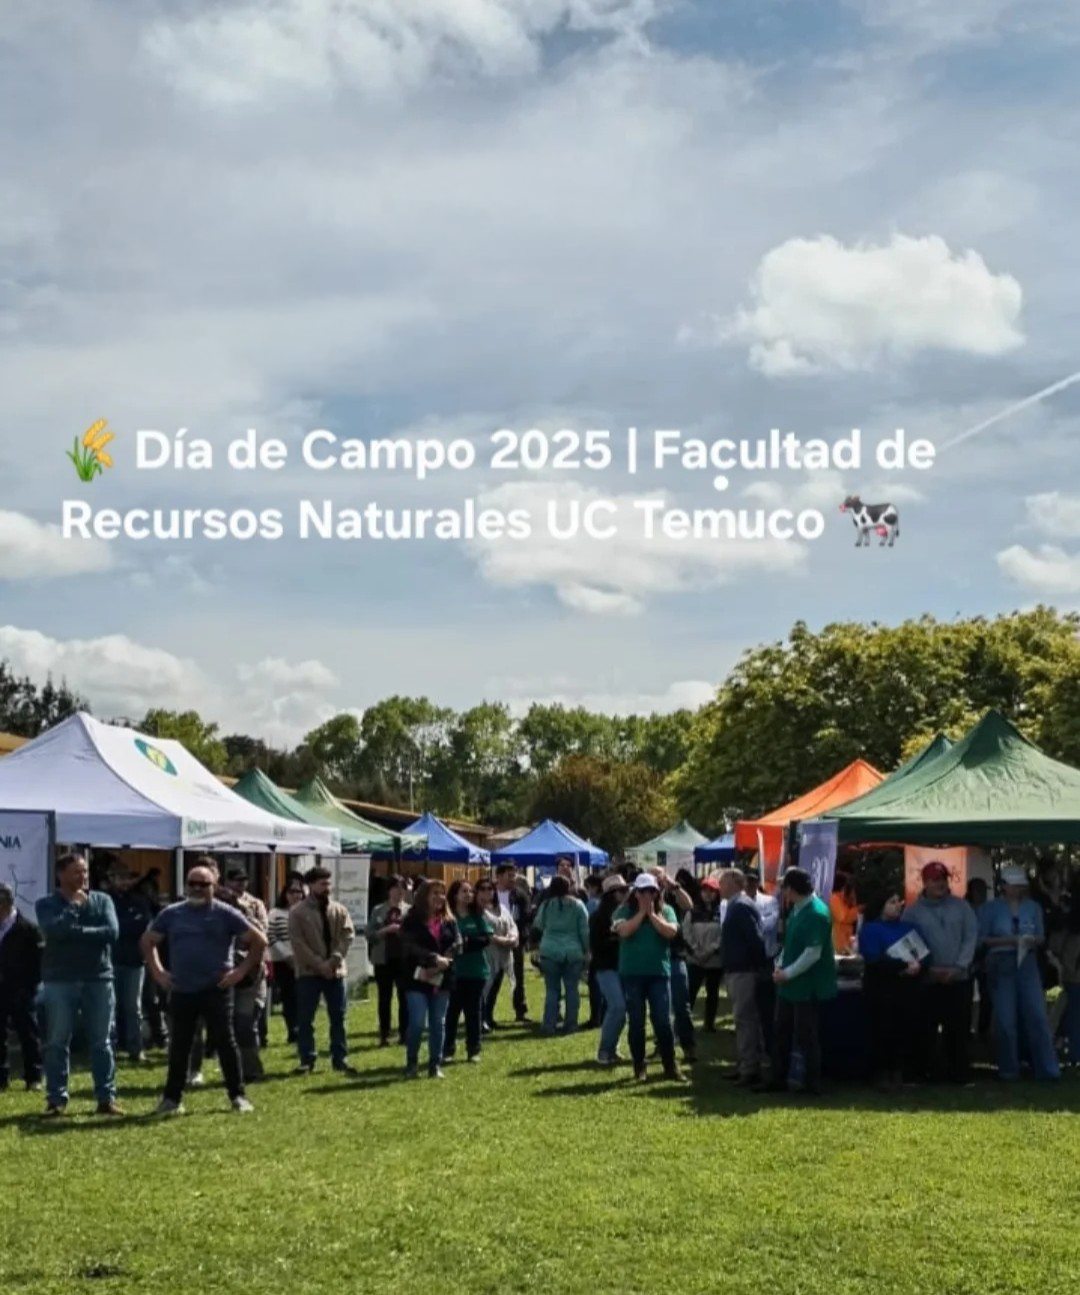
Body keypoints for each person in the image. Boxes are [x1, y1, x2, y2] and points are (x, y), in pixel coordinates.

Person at [142, 861, 264, 1115]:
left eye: (203, 884)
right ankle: (171, 1099)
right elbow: (148, 941)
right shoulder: (172, 913)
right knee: (180, 1045)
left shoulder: (225, 913)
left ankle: (237, 1096)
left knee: (225, 1042)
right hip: (182, 989)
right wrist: (158, 972)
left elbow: (258, 941)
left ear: (214, 886)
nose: (197, 888)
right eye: (192, 884)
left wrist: (240, 972)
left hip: (216, 989)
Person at [35, 853, 122, 1118]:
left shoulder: (102, 900)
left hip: (98, 978)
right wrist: (73, 908)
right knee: (57, 1041)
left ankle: (106, 1098)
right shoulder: (46, 904)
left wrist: (77, 932)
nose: (83, 877)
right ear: (60, 875)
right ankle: (56, 1099)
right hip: (60, 979)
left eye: (85, 871)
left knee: (102, 1041)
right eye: (76, 872)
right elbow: (54, 931)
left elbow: (111, 932)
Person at [978, 866, 1060, 1082]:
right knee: (1006, 1019)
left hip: (1027, 961)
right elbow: (982, 939)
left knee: (1037, 1015)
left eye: (1020, 886)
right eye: (1013, 885)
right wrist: (1010, 941)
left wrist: (1030, 941)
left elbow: (1041, 936)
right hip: (1000, 961)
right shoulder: (990, 909)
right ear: (1004, 886)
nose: (1017, 890)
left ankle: (1047, 1069)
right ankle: (1008, 1070)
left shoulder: (1033, 907)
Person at [762, 867, 836, 1096]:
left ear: (792, 890)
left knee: (806, 1036)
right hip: (789, 984)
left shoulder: (817, 913)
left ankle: (812, 1084)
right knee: (781, 1032)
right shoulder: (797, 908)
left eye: (784, 888)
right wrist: (779, 965)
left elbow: (812, 953)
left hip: (808, 985)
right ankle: (778, 1079)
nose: (782, 893)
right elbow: (790, 943)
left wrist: (787, 973)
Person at [904, 860, 978, 1085]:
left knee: (958, 1029)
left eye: (943, 879)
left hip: (959, 978)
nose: (940, 884)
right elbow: (909, 943)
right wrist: (927, 969)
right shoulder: (912, 912)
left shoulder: (962, 907)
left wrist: (960, 966)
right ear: (925, 882)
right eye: (935, 880)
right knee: (924, 1028)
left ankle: (959, 1074)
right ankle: (923, 1073)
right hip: (928, 979)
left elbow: (971, 937)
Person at [613, 873, 687, 1083]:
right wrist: (641, 914)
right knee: (636, 1022)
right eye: (643, 891)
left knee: (663, 1021)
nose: (648, 895)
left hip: (659, 974)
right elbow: (624, 931)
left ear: (657, 893)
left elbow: (670, 932)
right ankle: (639, 1066)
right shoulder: (623, 911)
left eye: (652, 891)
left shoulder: (667, 911)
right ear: (635, 893)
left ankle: (670, 1065)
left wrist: (652, 915)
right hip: (632, 974)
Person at [288, 867, 357, 1076]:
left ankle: (340, 1058)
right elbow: (298, 943)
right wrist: (319, 964)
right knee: (305, 1019)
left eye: (328, 883)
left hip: (335, 972)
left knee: (338, 1017)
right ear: (310, 886)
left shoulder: (339, 910)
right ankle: (307, 1059)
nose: (327, 887)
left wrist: (334, 960)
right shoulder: (297, 912)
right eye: (322, 884)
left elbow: (348, 935)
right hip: (309, 973)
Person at [857, 891, 926, 1089]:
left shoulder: (909, 928)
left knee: (904, 1031)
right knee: (882, 1031)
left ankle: (901, 1073)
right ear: (881, 906)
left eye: (899, 902)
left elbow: (924, 952)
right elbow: (874, 958)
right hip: (881, 989)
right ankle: (881, 1074)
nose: (898, 906)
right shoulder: (871, 929)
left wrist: (919, 965)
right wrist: (904, 965)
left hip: (906, 989)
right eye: (892, 902)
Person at [400, 880, 460, 1079]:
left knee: (438, 1023)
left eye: (442, 893)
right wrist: (433, 959)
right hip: (417, 978)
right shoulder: (411, 920)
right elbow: (408, 947)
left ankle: (435, 1064)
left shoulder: (449, 921)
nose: (439, 897)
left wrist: (444, 962)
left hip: (442, 978)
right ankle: (412, 1063)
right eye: (434, 893)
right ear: (423, 896)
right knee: (417, 1022)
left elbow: (457, 944)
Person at [717, 868, 769, 1085]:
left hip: (743, 971)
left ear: (733, 883)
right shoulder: (736, 905)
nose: (719, 886)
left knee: (745, 1019)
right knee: (742, 1020)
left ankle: (750, 1068)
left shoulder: (741, 906)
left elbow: (755, 939)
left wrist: (757, 965)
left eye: (722, 882)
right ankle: (745, 1064)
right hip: (738, 969)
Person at [222, 867, 269, 1082]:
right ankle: (233, 1070)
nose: (240, 884)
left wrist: (242, 909)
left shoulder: (254, 905)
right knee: (229, 1025)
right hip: (224, 972)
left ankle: (252, 1070)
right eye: (236, 880)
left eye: (244, 880)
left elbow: (262, 934)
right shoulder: (215, 908)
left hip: (250, 973)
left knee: (245, 1023)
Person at [532, 875, 590, 1036]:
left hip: (549, 950)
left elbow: (538, 925)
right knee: (572, 989)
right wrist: (587, 950)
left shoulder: (546, 905)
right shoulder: (578, 905)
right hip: (573, 951)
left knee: (552, 990)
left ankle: (549, 1024)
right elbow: (584, 930)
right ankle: (571, 1024)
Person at [443, 880, 494, 1063]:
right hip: (454, 971)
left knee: (473, 1012)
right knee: (452, 1012)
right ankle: (447, 1050)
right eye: (464, 891)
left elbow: (486, 938)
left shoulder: (476, 916)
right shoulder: (447, 917)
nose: (469, 895)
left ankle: (473, 1050)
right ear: (455, 895)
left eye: (470, 891)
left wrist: (466, 943)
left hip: (476, 970)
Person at [107, 865, 153, 1063]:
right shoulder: (105, 900)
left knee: (133, 1008)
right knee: (110, 1008)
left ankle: (136, 1048)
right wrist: (121, 928)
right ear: (110, 879)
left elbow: (143, 926)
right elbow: (108, 929)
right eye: (118, 877)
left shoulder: (139, 901)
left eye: (126, 878)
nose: (123, 882)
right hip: (110, 961)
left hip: (135, 962)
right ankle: (110, 1049)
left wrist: (118, 927)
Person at [0, 883, 43, 1092]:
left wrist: (29, 988)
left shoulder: (28, 929)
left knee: (28, 1034)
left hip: (21, 990)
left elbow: (38, 963)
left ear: (6, 903)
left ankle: (34, 1077)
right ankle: (1, 1078)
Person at [654, 868, 696, 1064]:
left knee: (681, 1005)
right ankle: (662, 1045)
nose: (657, 881)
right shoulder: (642, 898)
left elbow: (689, 905)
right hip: (655, 958)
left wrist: (674, 885)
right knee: (659, 1007)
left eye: (659, 877)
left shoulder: (672, 897)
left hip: (675, 956)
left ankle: (688, 1046)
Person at [367, 876, 411, 1047]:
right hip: (383, 959)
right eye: (396, 887)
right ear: (389, 890)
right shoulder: (378, 910)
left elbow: (416, 934)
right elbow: (369, 935)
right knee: (384, 998)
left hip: (404, 959)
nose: (400, 891)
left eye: (403, 888)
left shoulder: (409, 910)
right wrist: (385, 930)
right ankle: (384, 1034)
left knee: (404, 998)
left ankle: (404, 1033)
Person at [590, 874, 629, 1065]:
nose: (627, 893)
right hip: (606, 967)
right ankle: (604, 1051)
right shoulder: (598, 917)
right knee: (617, 1007)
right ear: (612, 894)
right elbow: (596, 945)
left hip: (624, 966)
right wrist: (617, 938)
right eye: (622, 890)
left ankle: (612, 1048)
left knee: (621, 1010)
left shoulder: (627, 913)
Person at [683, 876, 724, 1032]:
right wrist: (696, 952)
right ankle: (685, 1023)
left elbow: (724, 935)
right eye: (705, 890)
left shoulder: (722, 912)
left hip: (714, 960)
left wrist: (711, 950)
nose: (708, 894)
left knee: (712, 992)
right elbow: (686, 933)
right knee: (690, 992)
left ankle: (709, 1023)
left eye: (712, 891)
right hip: (695, 959)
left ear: (717, 893)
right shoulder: (692, 912)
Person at [268, 875, 305, 1045]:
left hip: (304, 959)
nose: (295, 895)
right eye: (292, 892)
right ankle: (293, 1029)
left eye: (298, 891)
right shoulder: (275, 913)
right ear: (285, 894)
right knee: (289, 996)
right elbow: (271, 936)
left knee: (303, 995)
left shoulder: (306, 913)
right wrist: (287, 956)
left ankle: (303, 1028)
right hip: (283, 961)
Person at [745, 865, 779, 1053]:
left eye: (753, 881)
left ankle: (769, 1048)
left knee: (767, 1008)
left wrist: (748, 924)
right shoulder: (734, 903)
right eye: (747, 881)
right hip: (746, 962)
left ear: (758, 882)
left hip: (766, 961)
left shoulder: (770, 901)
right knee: (747, 1007)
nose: (750, 884)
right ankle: (752, 1049)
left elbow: (769, 925)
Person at [492, 865, 532, 1023]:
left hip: (514, 942)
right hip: (493, 942)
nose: (513, 879)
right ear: (499, 876)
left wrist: (517, 935)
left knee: (517, 978)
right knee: (492, 980)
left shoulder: (520, 896)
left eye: (514, 875)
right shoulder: (490, 893)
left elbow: (526, 917)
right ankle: (486, 1013)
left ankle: (520, 1010)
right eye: (509, 875)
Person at [478, 878, 518, 1033]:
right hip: (487, 954)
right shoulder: (478, 911)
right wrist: (502, 940)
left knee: (494, 989)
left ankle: (489, 1017)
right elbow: (484, 932)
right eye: (483, 889)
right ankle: (481, 1020)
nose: (487, 892)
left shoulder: (502, 908)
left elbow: (512, 925)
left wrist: (513, 937)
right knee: (484, 989)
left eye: (490, 888)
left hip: (503, 956)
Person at [1049, 887, 1080, 1068]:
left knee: (1070, 1013)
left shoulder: (1068, 928)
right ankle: (1074, 1053)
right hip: (1074, 974)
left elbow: (1057, 946)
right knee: (1073, 1014)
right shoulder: (1071, 931)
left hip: (1071, 974)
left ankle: (1064, 1045)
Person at [965, 878, 992, 1040]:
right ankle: (965, 1030)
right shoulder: (963, 909)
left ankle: (983, 1030)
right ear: (973, 892)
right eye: (980, 891)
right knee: (966, 996)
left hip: (985, 955)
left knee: (987, 996)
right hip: (966, 956)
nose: (984, 894)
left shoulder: (988, 910)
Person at [829, 872, 860, 954]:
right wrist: (857, 910)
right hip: (837, 941)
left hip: (846, 941)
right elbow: (842, 917)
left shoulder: (845, 900)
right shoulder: (835, 898)